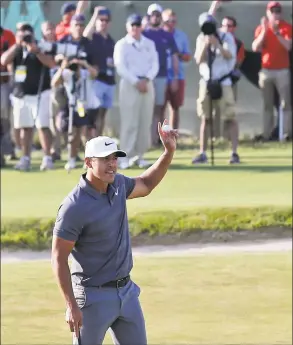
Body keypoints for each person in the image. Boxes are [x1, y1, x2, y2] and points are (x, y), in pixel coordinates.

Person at [51, 121, 178, 345]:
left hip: (126, 293)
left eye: (114, 158)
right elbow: (58, 258)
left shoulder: (118, 185)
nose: (112, 165)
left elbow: (146, 184)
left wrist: (168, 152)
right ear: (88, 162)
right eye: (105, 159)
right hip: (91, 297)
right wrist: (71, 305)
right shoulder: (74, 206)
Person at [1, 23, 55, 171]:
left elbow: (51, 63)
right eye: (21, 32)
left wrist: (36, 51)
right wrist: (17, 45)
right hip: (21, 94)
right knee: (25, 127)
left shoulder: (40, 46)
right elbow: (3, 61)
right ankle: (25, 158)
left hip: (40, 93)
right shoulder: (15, 48)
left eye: (27, 32)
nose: (24, 35)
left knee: (42, 126)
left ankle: (47, 157)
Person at [192, 13, 240, 164]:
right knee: (205, 118)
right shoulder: (201, 38)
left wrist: (217, 44)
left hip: (223, 80)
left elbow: (229, 55)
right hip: (206, 80)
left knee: (230, 117)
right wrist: (206, 45)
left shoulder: (226, 37)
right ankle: (203, 152)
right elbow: (198, 60)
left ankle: (234, 152)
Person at [54, 14, 99, 171]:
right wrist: (65, 63)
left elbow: (95, 72)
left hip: (84, 94)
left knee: (85, 130)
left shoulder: (88, 44)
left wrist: (83, 63)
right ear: (71, 26)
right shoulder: (64, 41)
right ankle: (71, 157)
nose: (79, 27)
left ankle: (91, 160)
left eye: (81, 24)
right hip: (67, 90)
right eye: (76, 24)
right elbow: (56, 58)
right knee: (68, 129)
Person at [113, 14, 159, 170]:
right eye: (132, 25)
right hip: (130, 84)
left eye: (137, 25)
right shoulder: (122, 44)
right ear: (127, 26)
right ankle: (124, 157)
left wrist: (147, 79)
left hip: (147, 84)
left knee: (144, 121)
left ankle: (139, 155)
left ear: (142, 26)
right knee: (129, 121)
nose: (135, 28)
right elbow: (120, 67)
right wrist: (136, 81)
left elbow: (155, 64)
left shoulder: (149, 44)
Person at [252, 1, 292, 140]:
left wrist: (276, 32)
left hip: (282, 70)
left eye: (278, 11)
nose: (276, 14)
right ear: (267, 13)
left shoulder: (286, 27)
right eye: (273, 11)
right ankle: (266, 134)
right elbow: (255, 47)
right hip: (266, 71)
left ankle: (286, 134)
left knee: (285, 104)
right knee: (267, 105)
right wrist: (264, 30)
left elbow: (288, 46)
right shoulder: (261, 28)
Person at [143, 3, 179, 147]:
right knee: (145, 108)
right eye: (153, 15)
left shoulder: (167, 35)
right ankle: (145, 141)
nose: (156, 17)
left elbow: (174, 57)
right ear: (149, 17)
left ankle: (154, 140)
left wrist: (175, 77)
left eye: (158, 15)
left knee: (158, 108)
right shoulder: (143, 34)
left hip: (161, 76)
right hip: (145, 78)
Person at [83, 6, 116, 137]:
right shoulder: (93, 37)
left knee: (103, 114)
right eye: (101, 20)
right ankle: (90, 144)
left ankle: (99, 141)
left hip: (109, 80)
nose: (103, 22)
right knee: (92, 114)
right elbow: (85, 35)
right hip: (96, 80)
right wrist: (95, 14)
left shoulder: (111, 41)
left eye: (106, 20)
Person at [162, 8, 191, 131]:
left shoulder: (181, 36)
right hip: (161, 76)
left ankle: (173, 136)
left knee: (175, 107)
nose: (171, 23)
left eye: (174, 21)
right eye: (168, 21)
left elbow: (187, 56)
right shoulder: (158, 35)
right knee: (160, 107)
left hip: (178, 76)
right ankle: (158, 137)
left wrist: (178, 54)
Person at [0, 26, 16, 166]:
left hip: (3, 82)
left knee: (4, 118)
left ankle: (8, 150)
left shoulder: (7, 34)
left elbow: (11, 60)